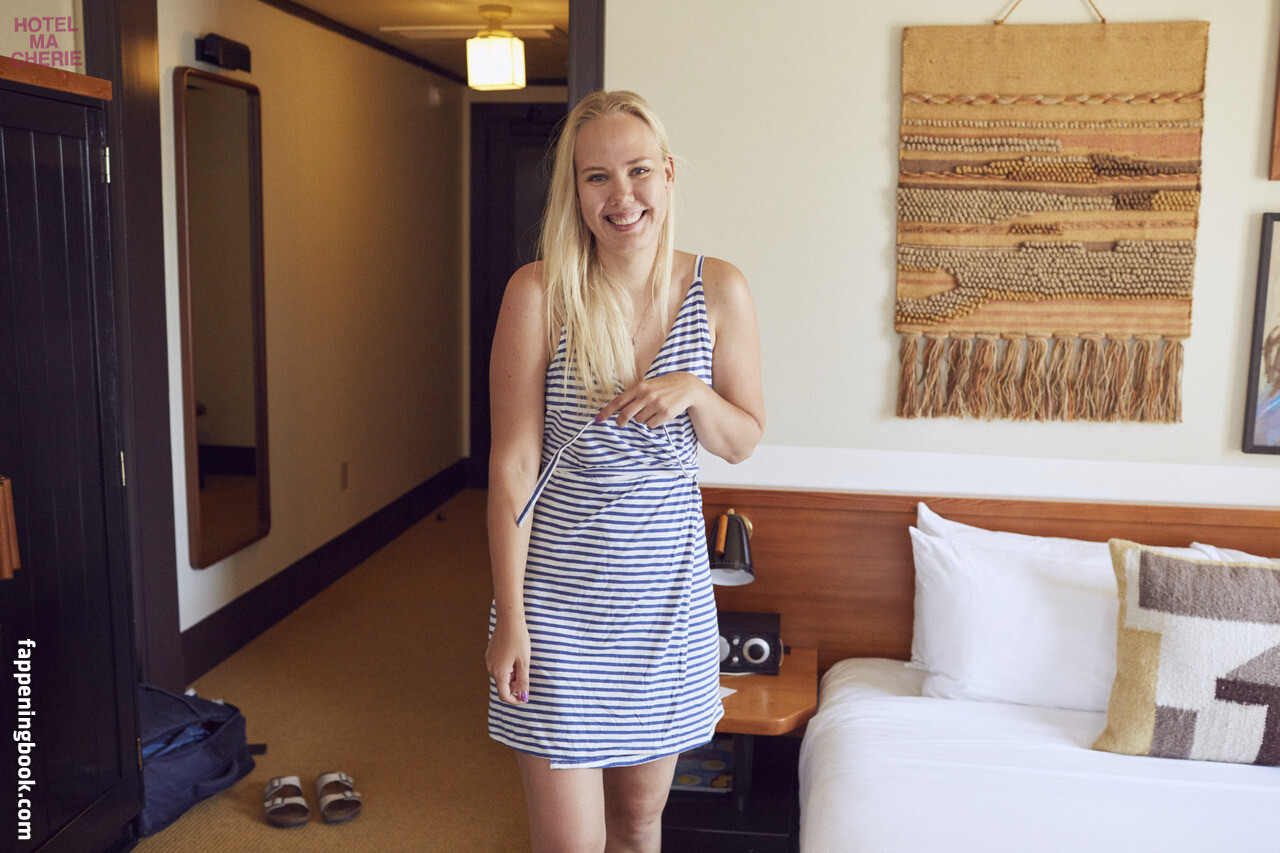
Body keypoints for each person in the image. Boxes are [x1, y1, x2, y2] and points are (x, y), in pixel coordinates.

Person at [484, 89, 765, 852]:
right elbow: (513, 467)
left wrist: (695, 392)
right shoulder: (538, 293)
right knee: (570, 843)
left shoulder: (720, 289)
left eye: (638, 170)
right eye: (597, 176)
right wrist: (510, 614)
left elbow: (742, 440)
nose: (622, 195)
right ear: (575, 191)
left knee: (639, 826)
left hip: (666, 610)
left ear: (667, 173)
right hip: (557, 610)